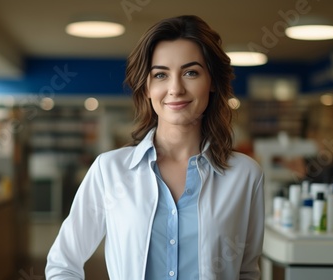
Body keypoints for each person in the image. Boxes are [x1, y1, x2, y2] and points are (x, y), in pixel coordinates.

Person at [45, 15, 265, 280]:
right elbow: (63, 263)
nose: (175, 88)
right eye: (160, 74)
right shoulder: (110, 170)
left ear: (213, 82)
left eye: (190, 72)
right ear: (147, 87)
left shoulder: (245, 175)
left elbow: (247, 271)